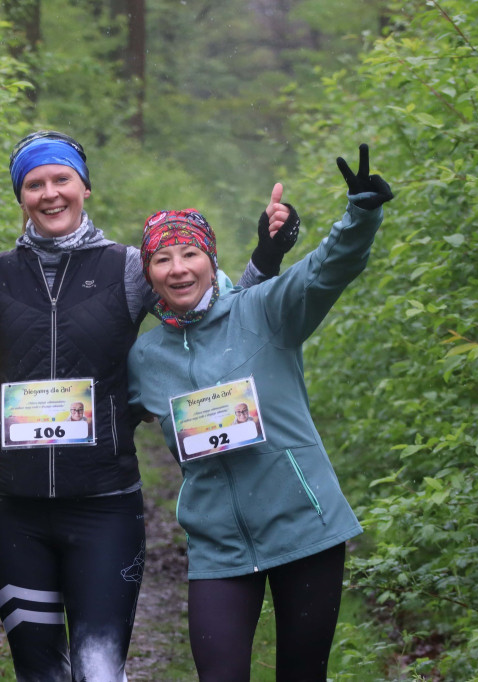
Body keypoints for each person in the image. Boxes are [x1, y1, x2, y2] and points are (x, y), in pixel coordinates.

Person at [0, 131, 300, 681]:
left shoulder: (130, 269)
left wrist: (268, 255)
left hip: (105, 504)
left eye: (61, 179)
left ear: (84, 185)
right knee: (41, 673)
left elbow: (217, 316)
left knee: (99, 669)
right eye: (34, 184)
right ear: (20, 197)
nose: (50, 193)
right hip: (16, 512)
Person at [127, 144, 393, 681]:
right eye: (162, 259)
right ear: (148, 274)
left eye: (190, 255)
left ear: (211, 259)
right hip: (218, 547)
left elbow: (325, 270)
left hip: (304, 526)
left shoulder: (265, 309)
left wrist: (360, 214)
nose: (178, 270)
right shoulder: (144, 359)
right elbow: (101, 427)